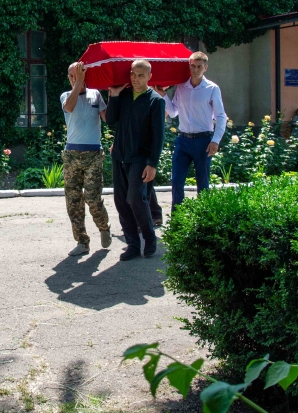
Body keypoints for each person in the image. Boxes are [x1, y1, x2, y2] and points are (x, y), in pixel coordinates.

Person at [106, 59, 165, 261]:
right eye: (133, 74)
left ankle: (149, 239)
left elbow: (158, 136)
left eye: (141, 75)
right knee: (121, 201)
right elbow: (111, 121)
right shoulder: (122, 96)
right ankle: (132, 244)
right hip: (120, 155)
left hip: (140, 158)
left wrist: (152, 164)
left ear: (149, 76)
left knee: (135, 198)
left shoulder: (155, 100)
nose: (136, 78)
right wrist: (113, 96)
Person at [153, 52, 226, 210]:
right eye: (192, 66)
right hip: (183, 140)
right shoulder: (181, 86)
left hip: (203, 141)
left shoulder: (212, 88)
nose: (195, 69)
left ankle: (203, 220)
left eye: (199, 66)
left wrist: (216, 140)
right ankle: (178, 220)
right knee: (177, 181)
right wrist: (163, 94)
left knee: (203, 184)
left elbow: (221, 116)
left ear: (205, 68)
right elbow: (173, 112)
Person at [61, 62, 111, 257]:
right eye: (72, 76)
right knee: (73, 200)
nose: (76, 78)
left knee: (92, 197)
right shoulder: (66, 96)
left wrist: (113, 94)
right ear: (69, 78)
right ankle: (82, 242)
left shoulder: (95, 95)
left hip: (93, 155)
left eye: (79, 75)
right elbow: (70, 107)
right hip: (72, 155)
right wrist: (77, 84)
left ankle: (104, 227)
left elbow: (108, 118)